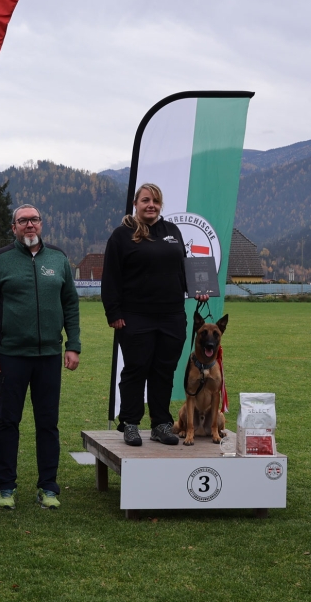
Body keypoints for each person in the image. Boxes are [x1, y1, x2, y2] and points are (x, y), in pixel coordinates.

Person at [0, 204, 81, 511]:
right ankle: (6, 487)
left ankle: (48, 487)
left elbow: (71, 305)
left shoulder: (58, 258)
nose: (29, 224)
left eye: (34, 219)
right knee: (8, 422)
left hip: (49, 356)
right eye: (22, 221)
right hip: (10, 357)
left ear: (42, 224)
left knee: (48, 424)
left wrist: (73, 345)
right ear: (14, 228)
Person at [102, 183, 207, 447]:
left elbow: (184, 269)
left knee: (164, 371)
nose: (151, 205)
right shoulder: (121, 236)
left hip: (171, 316)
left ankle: (161, 423)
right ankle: (130, 423)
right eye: (146, 200)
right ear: (135, 204)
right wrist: (113, 312)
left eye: (156, 201)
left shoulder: (172, 231)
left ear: (161, 205)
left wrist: (198, 289)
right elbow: (111, 277)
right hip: (134, 316)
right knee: (136, 369)